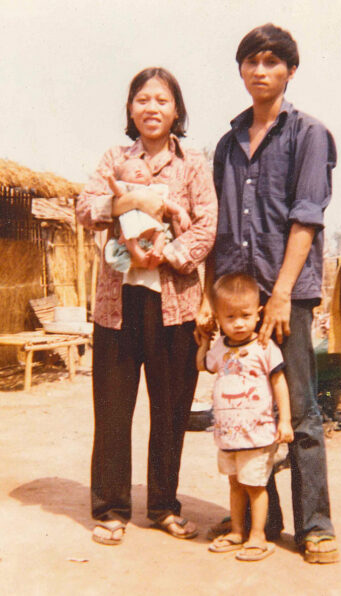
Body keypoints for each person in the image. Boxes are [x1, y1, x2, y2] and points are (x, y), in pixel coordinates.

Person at [196, 23, 339, 563]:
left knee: (297, 410)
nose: (261, 72)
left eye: (272, 63)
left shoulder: (309, 134)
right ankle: (263, 517)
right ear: (241, 71)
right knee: (248, 407)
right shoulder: (228, 144)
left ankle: (315, 527)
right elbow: (218, 227)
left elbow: (306, 220)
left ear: (290, 71)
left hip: (286, 297)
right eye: (252, 63)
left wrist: (279, 297)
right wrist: (212, 299)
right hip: (235, 297)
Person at [77, 67, 217, 545]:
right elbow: (84, 208)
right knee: (113, 409)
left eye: (161, 100)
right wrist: (130, 202)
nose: (151, 108)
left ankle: (163, 506)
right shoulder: (114, 158)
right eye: (142, 99)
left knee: (172, 409)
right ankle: (111, 508)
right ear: (130, 109)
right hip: (117, 304)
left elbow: (206, 224)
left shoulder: (192, 161)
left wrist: (168, 254)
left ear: (176, 109)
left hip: (175, 305)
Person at [197, 273, 293, 562]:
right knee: (235, 485)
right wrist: (203, 342)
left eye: (245, 315)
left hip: (257, 433)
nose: (238, 323)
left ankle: (258, 536)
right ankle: (237, 531)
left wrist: (285, 420)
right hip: (228, 436)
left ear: (258, 313)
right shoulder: (220, 349)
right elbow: (204, 365)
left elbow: (279, 384)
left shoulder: (264, 347)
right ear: (218, 318)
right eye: (230, 317)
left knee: (255, 486)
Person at [104, 157, 192, 272]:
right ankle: (140, 256)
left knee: (160, 235)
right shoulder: (128, 190)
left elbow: (166, 203)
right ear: (122, 180)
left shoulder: (154, 190)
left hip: (153, 228)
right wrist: (111, 181)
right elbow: (118, 192)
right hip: (132, 229)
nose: (137, 171)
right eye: (130, 171)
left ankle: (156, 252)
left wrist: (181, 212)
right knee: (129, 236)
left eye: (141, 168)